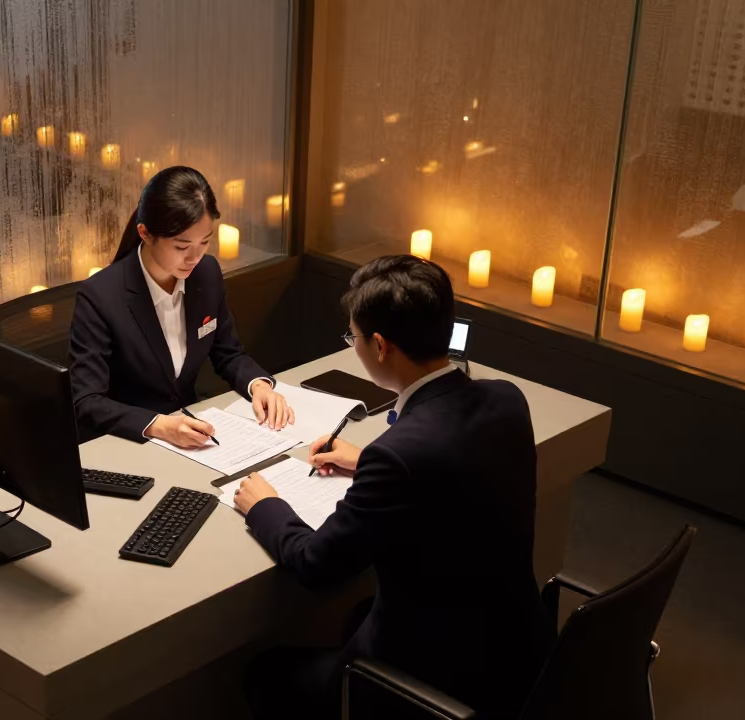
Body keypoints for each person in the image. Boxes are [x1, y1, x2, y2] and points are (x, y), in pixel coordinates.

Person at [234, 255, 554, 719]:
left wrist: (266, 506)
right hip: (520, 654)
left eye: (354, 338)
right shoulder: (507, 400)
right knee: (358, 615)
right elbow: (454, 470)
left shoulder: (397, 456)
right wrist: (362, 459)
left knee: (264, 672)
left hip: (438, 677)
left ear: (380, 346)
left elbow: (318, 566)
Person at [69, 166, 294, 446]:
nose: (194, 257)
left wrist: (259, 385)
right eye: (181, 246)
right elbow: (87, 401)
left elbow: (229, 354)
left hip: (191, 434)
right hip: (125, 442)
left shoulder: (206, 274)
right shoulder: (100, 296)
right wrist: (159, 425)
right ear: (145, 233)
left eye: (204, 242)